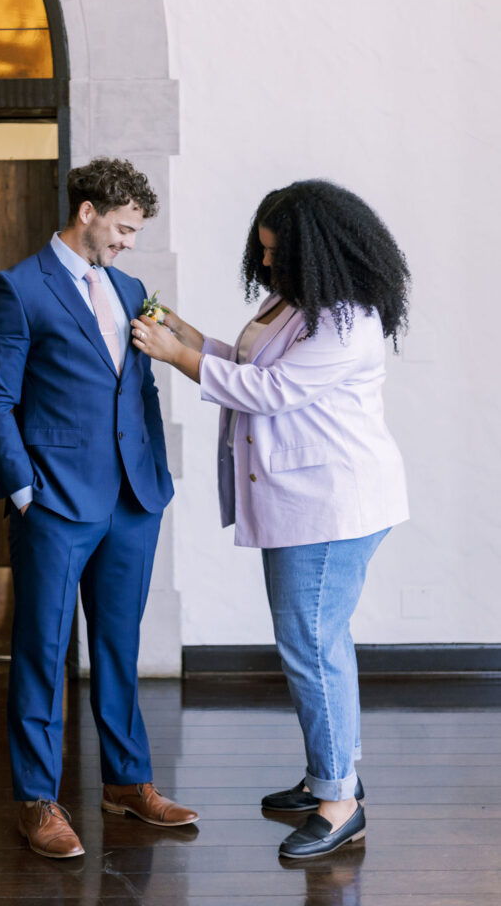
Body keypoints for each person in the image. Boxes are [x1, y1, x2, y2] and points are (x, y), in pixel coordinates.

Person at [130, 178, 409, 860]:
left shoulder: (346, 321)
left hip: (331, 507)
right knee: (319, 643)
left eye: (273, 252)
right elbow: (253, 361)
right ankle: (330, 774)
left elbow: (272, 390)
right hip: (305, 503)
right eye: (260, 251)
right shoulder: (296, 305)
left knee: (311, 647)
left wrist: (176, 358)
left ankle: (339, 804)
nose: (262, 264)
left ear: (315, 249)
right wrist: (192, 337)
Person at [0, 157, 198, 860]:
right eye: (124, 228)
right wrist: (21, 490)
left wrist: (156, 475)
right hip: (53, 504)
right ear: (88, 213)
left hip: (133, 500)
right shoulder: (16, 288)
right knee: (41, 651)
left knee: (118, 648)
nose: (130, 243)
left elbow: (141, 389)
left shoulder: (130, 289)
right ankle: (38, 800)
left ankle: (127, 784)